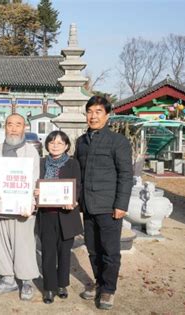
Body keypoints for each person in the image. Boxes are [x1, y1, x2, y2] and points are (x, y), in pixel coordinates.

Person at [75, 96, 133, 310]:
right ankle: (99, 282)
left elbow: (126, 175)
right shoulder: (81, 142)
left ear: (107, 115)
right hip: (88, 206)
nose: (93, 116)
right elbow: (77, 173)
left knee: (110, 251)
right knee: (92, 248)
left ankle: (108, 289)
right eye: (90, 111)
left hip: (109, 207)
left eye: (98, 111)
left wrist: (121, 205)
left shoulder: (118, 141)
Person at [0, 113, 40, 301]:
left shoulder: (31, 151)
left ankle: (27, 280)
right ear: (5, 127)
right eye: (9, 124)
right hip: (0, 206)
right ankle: (7, 278)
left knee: (24, 244)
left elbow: (34, 178)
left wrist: (30, 203)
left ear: (24, 128)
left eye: (17, 124)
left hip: (22, 208)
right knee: (1, 243)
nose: (13, 128)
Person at [37, 130, 83, 304]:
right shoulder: (41, 163)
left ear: (66, 146)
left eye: (59, 143)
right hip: (46, 215)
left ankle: (62, 284)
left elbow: (77, 185)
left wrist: (73, 200)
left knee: (64, 252)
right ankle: (49, 287)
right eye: (51, 142)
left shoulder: (73, 164)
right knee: (48, 252)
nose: (55, 146)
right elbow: (34, 182)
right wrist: (35, 193)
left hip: (66, 215)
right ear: (47, 145)